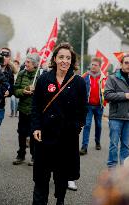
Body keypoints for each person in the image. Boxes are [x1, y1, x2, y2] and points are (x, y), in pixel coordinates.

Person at [31, 42, 87, 205]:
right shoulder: (43, 79)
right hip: (45, 136)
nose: (64, 61)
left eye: (68, 58)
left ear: (72, 61)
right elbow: (36, 106)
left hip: (66, 138)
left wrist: (77, 127)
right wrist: (36, 127)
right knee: (41, 177)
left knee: (61, 176)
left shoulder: (78, 82)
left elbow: (83, 109)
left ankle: (60, 200)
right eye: (61, 57)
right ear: (55, 59)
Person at [104, 53, 129, 169]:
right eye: (126, 62)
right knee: (114, 145)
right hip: (116, 117)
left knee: (126, 146)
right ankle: (112, 169)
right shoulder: (112, 77)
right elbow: (107, 95)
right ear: (121, 64)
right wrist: (125, 95)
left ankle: (124, 172)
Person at [13, 53, 40, 166]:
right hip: (23, 109)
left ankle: (34, 156)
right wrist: (23, 91)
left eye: (28, 62)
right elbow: (15, 90)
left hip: (35, 111)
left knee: (34, 134)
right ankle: (21, 155)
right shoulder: (21, 73)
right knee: (22, 133)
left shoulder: (40, 76)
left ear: (34, 65)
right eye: (26, 61)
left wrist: (36, 91)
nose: (25, 64)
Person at [80, 57, 107, 155]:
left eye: (95, 65)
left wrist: (105, 101)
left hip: (99, 106)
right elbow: (80, 89)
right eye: (92, 64)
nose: (93, 66)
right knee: (87, 125)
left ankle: (97, 141)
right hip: (88, 106)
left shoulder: (104, 78)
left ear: (100, 66)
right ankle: (84, 147)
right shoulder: (85, 76)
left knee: (98, 125)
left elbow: (107, 91)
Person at [0, 48, 14, 166]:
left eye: (6, 55)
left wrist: (9, 91)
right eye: (2, 55)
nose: (4, 57)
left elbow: (12, 88)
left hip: (0, 105)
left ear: (9, 58)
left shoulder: (9, 72)